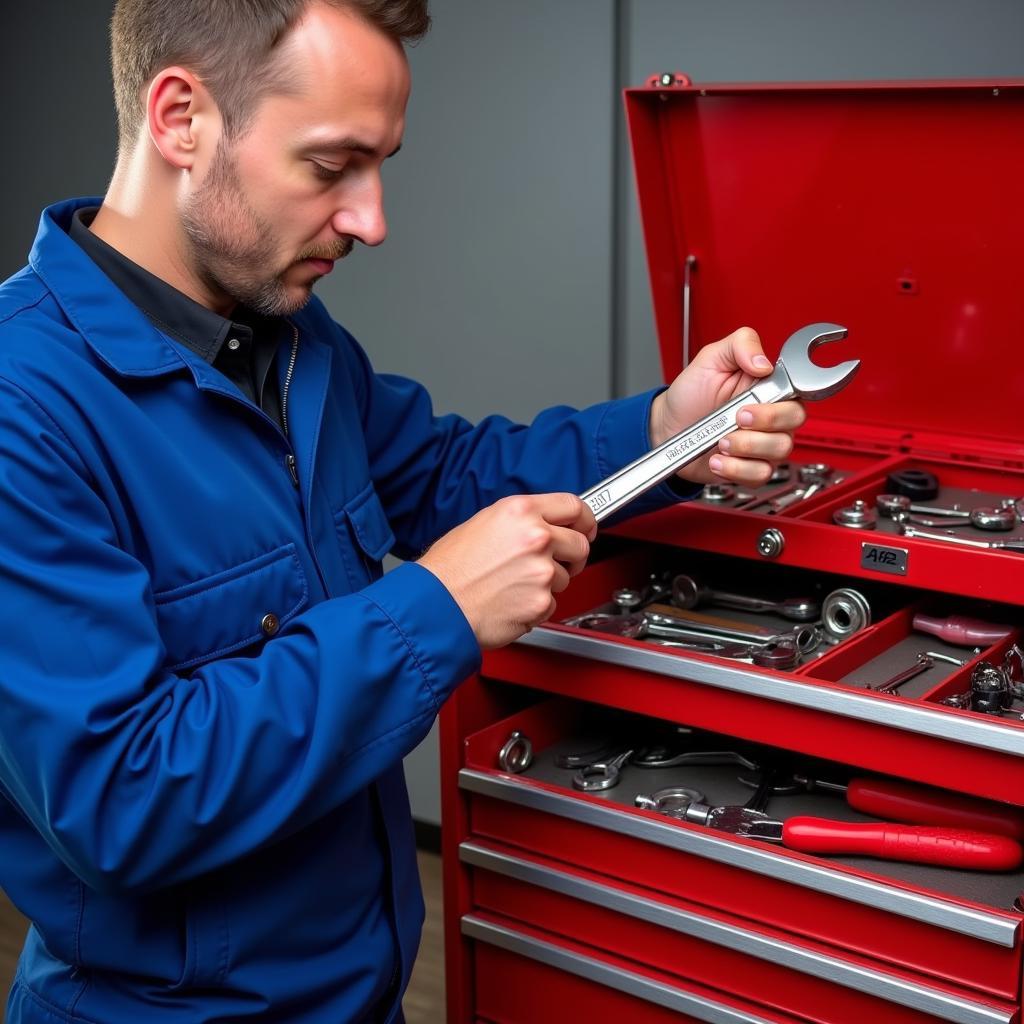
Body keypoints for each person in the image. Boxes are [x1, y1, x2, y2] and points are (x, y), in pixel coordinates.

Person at [0, 1, 805, 1021]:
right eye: (331, 166)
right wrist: (433, 610)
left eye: (379, 166)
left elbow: (447, 472)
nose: (371, 219)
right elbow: (119, 797)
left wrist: (663, 426)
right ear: (179, 118)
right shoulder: (23, 410)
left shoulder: (290, 342)